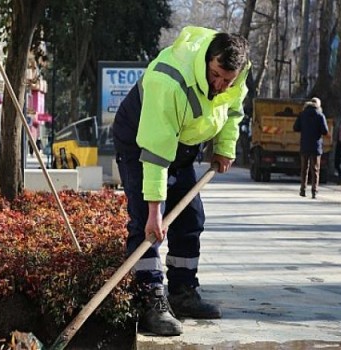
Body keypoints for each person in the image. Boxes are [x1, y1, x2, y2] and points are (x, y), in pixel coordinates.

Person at [113, 26, 251, 336]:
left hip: (183, 143)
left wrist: (225, 148)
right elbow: (156, 152)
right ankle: (151, 302)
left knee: (190, 217)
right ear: (207, 59)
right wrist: (153, 211)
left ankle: (182, 291)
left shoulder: (236, 75)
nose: (218, 85)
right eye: (215, 75)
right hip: (141, 141)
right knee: (146, 225)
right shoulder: (169, 81)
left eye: (226, 80)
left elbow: (232, 111)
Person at [293, 97, 328, 199]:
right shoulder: (320, 115)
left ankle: (303, 190)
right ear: (318, 105)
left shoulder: (302, 114)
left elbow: (295, 128)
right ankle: (314, 191)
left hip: (304, 145)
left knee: (304, 168)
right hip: (316, 146)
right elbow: (325, 131)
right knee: (315, 169)